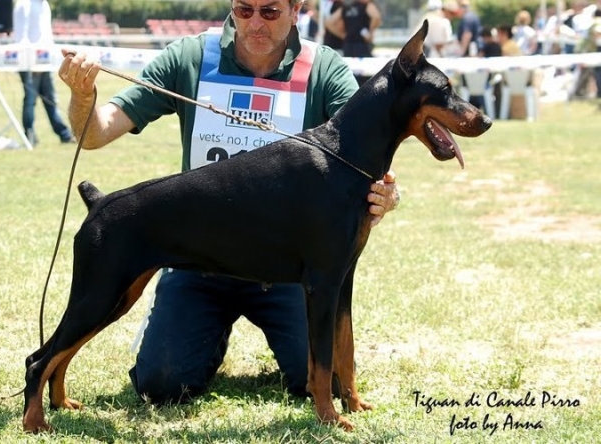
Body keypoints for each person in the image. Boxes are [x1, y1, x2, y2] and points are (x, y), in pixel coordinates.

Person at [59, 0, 399, 404]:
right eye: (244, 9)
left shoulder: (323, 68)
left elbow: (365, 155)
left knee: (324, 384)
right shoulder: (190, 57)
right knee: (161, 384)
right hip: (199, 261)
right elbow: (94, 134)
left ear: (296, 10)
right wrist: (83, 96)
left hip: (286, 269)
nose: (255, 23)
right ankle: (202, 334)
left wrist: (387, 194)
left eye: (270, 11)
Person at [13, 0, 75, 145]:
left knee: (51, 99)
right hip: (29, 62)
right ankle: (29, 136)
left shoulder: (44, 4)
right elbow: (21, 35)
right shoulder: (24, 4)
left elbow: (46, 35)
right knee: (30, 101)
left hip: (45, 61)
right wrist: (28, 61)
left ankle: (64, 134)